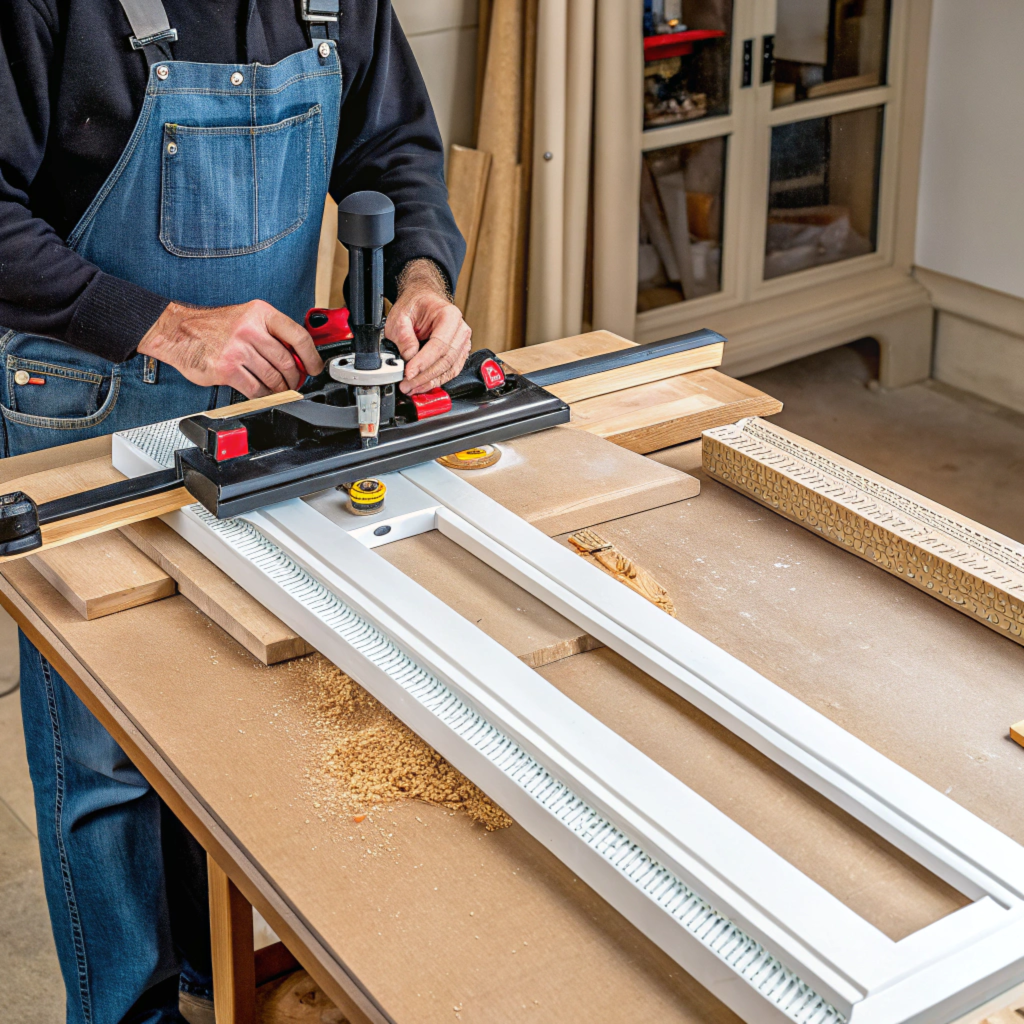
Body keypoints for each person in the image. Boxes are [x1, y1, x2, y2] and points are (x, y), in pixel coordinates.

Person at [0, 2, 471, 1022]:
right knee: (102, 756)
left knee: (226, 713)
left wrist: (422, 275)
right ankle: (130, 1009)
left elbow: (392, 148)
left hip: (257, 405)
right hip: (83, 404)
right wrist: (162, 325)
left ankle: (217, 974)